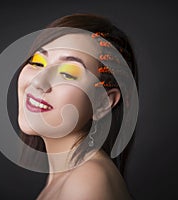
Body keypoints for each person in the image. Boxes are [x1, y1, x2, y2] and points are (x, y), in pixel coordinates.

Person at [16, 13, 138, 200]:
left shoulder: (87, 181)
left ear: (103, 103)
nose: (39, 81)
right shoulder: (68, 178)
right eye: (37, 62)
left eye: (68, 74)